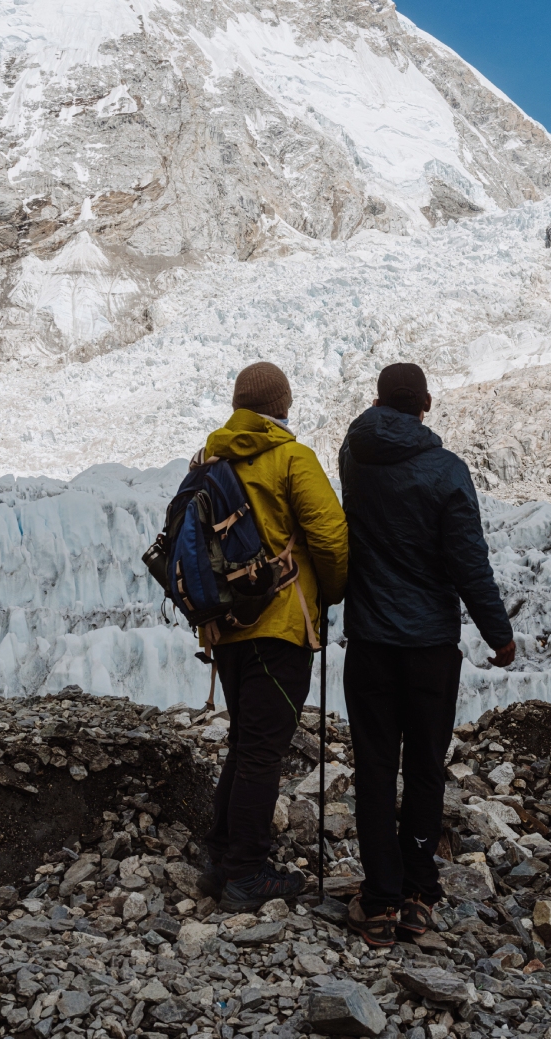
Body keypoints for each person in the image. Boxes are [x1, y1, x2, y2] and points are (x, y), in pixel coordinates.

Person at [338, 361, 515, 946]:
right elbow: (468, 562)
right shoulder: (446, 471)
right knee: (423, 768)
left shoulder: (353, 458)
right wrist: (498, 633)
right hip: (430, 648)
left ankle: (380, 900)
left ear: (379, 400)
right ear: (427, 405)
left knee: (374, 767)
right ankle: (417, 894)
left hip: (369, 643)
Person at [195, 361, 348, 912]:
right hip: (280, 627)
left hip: (227, 629)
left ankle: (220, 861)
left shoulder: (210, 459)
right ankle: (246, 872)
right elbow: (330, 537)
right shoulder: (291, 458)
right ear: (282, 406)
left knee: (244, 740)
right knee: (263, 750)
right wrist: (329, 593)